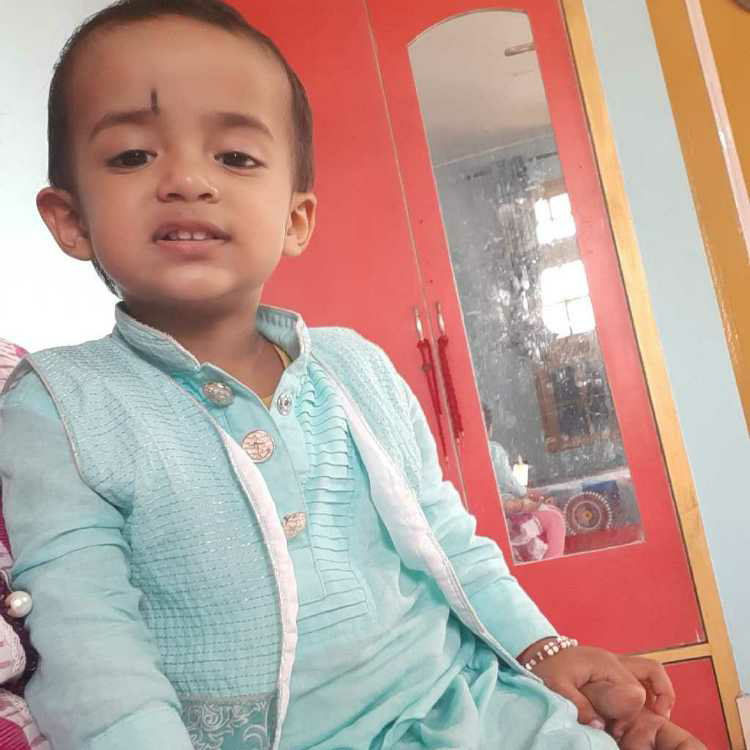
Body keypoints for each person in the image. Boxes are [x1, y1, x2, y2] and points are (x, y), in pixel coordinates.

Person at [0, 2, 705, 749]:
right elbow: (89, 647)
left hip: (473, 704)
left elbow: (445, 536)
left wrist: (544, 650)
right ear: (70, 219)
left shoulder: (355, 365)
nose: (186, 179)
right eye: (132, 156)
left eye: (234, 157)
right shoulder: (58, 403)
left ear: (296, 219)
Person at [482, 404, 566, 562]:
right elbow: (509, 483)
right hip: (506, 508)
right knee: (555, 518)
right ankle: (553, 566)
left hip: (494, 509)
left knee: (552, 512)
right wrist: (525, 492)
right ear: (490, 428)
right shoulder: (493, 450)